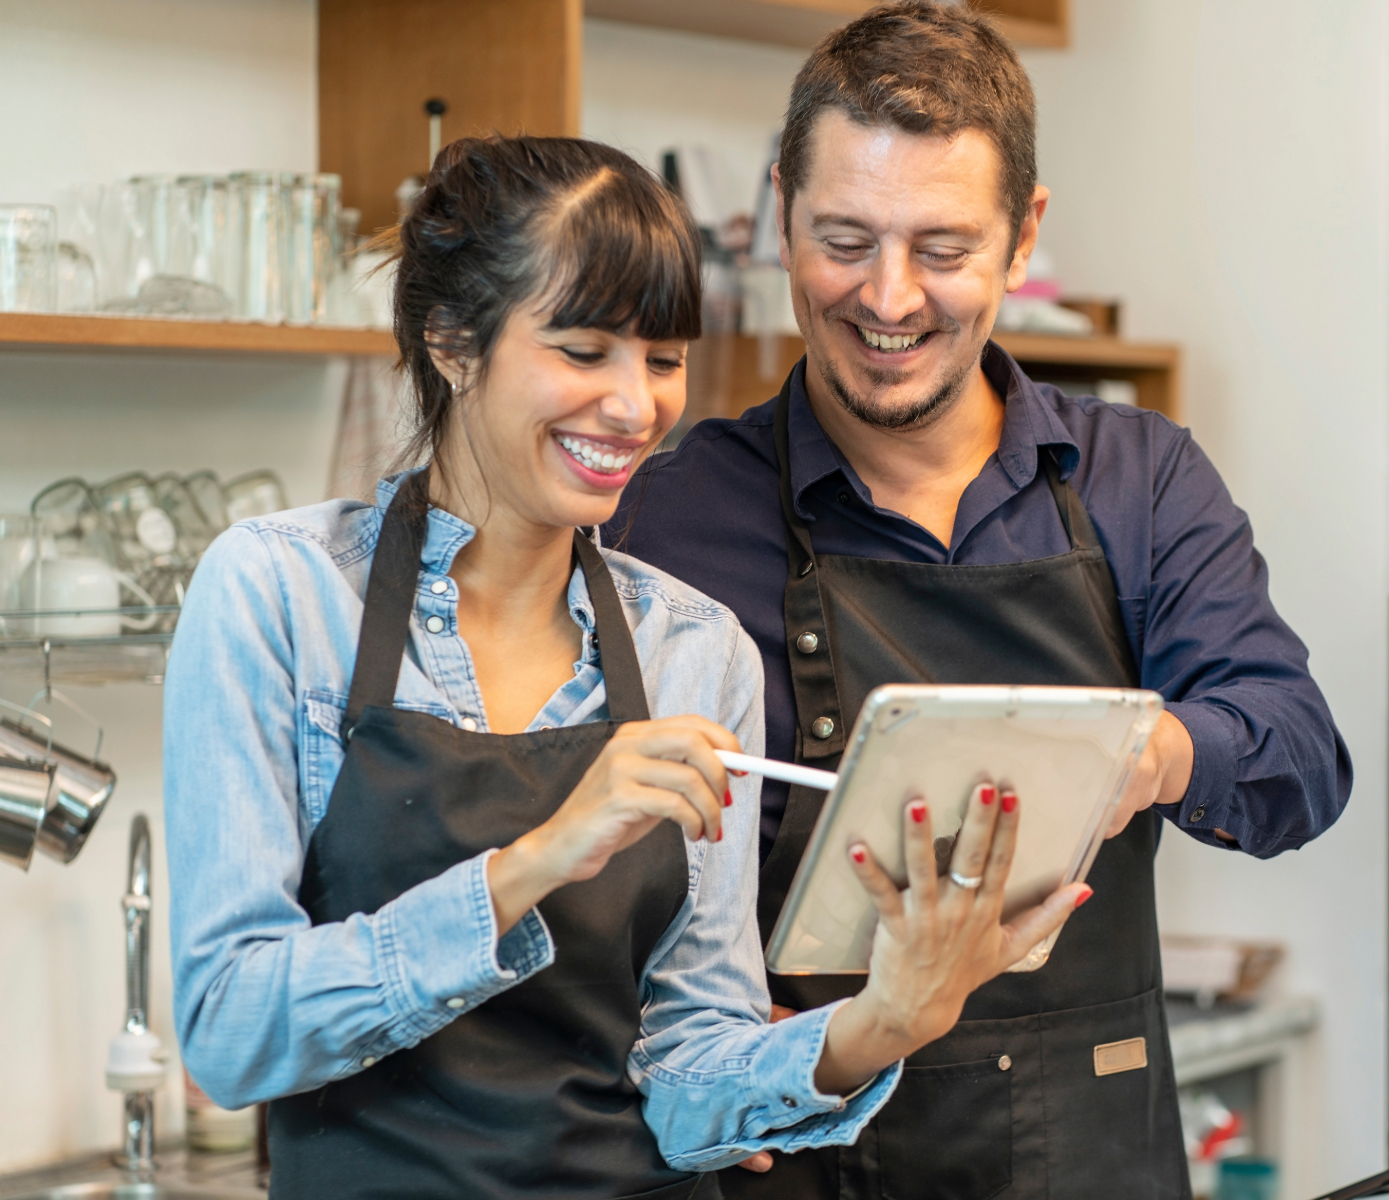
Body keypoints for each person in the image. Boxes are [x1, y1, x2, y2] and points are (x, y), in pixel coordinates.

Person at [163, 135, 1093, 1200]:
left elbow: (691, 1072)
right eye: (583, 349)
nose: (634, 406)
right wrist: (540, 857)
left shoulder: (693, 651)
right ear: (454, 343)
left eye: (661, 360)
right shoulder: (278, 598)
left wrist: (888, 1018)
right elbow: (229, 1034)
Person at [605, 5, 1354, 1198]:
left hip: (1090, 1153)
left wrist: (1158, 750)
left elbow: (1302, 764)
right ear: (777, 214)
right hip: (795, 1160)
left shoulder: (1139, 481)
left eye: (943, 250)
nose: (888, 300)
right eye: (843, 239)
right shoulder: (667, 516)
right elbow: (596, 884)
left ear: (1024, 236)